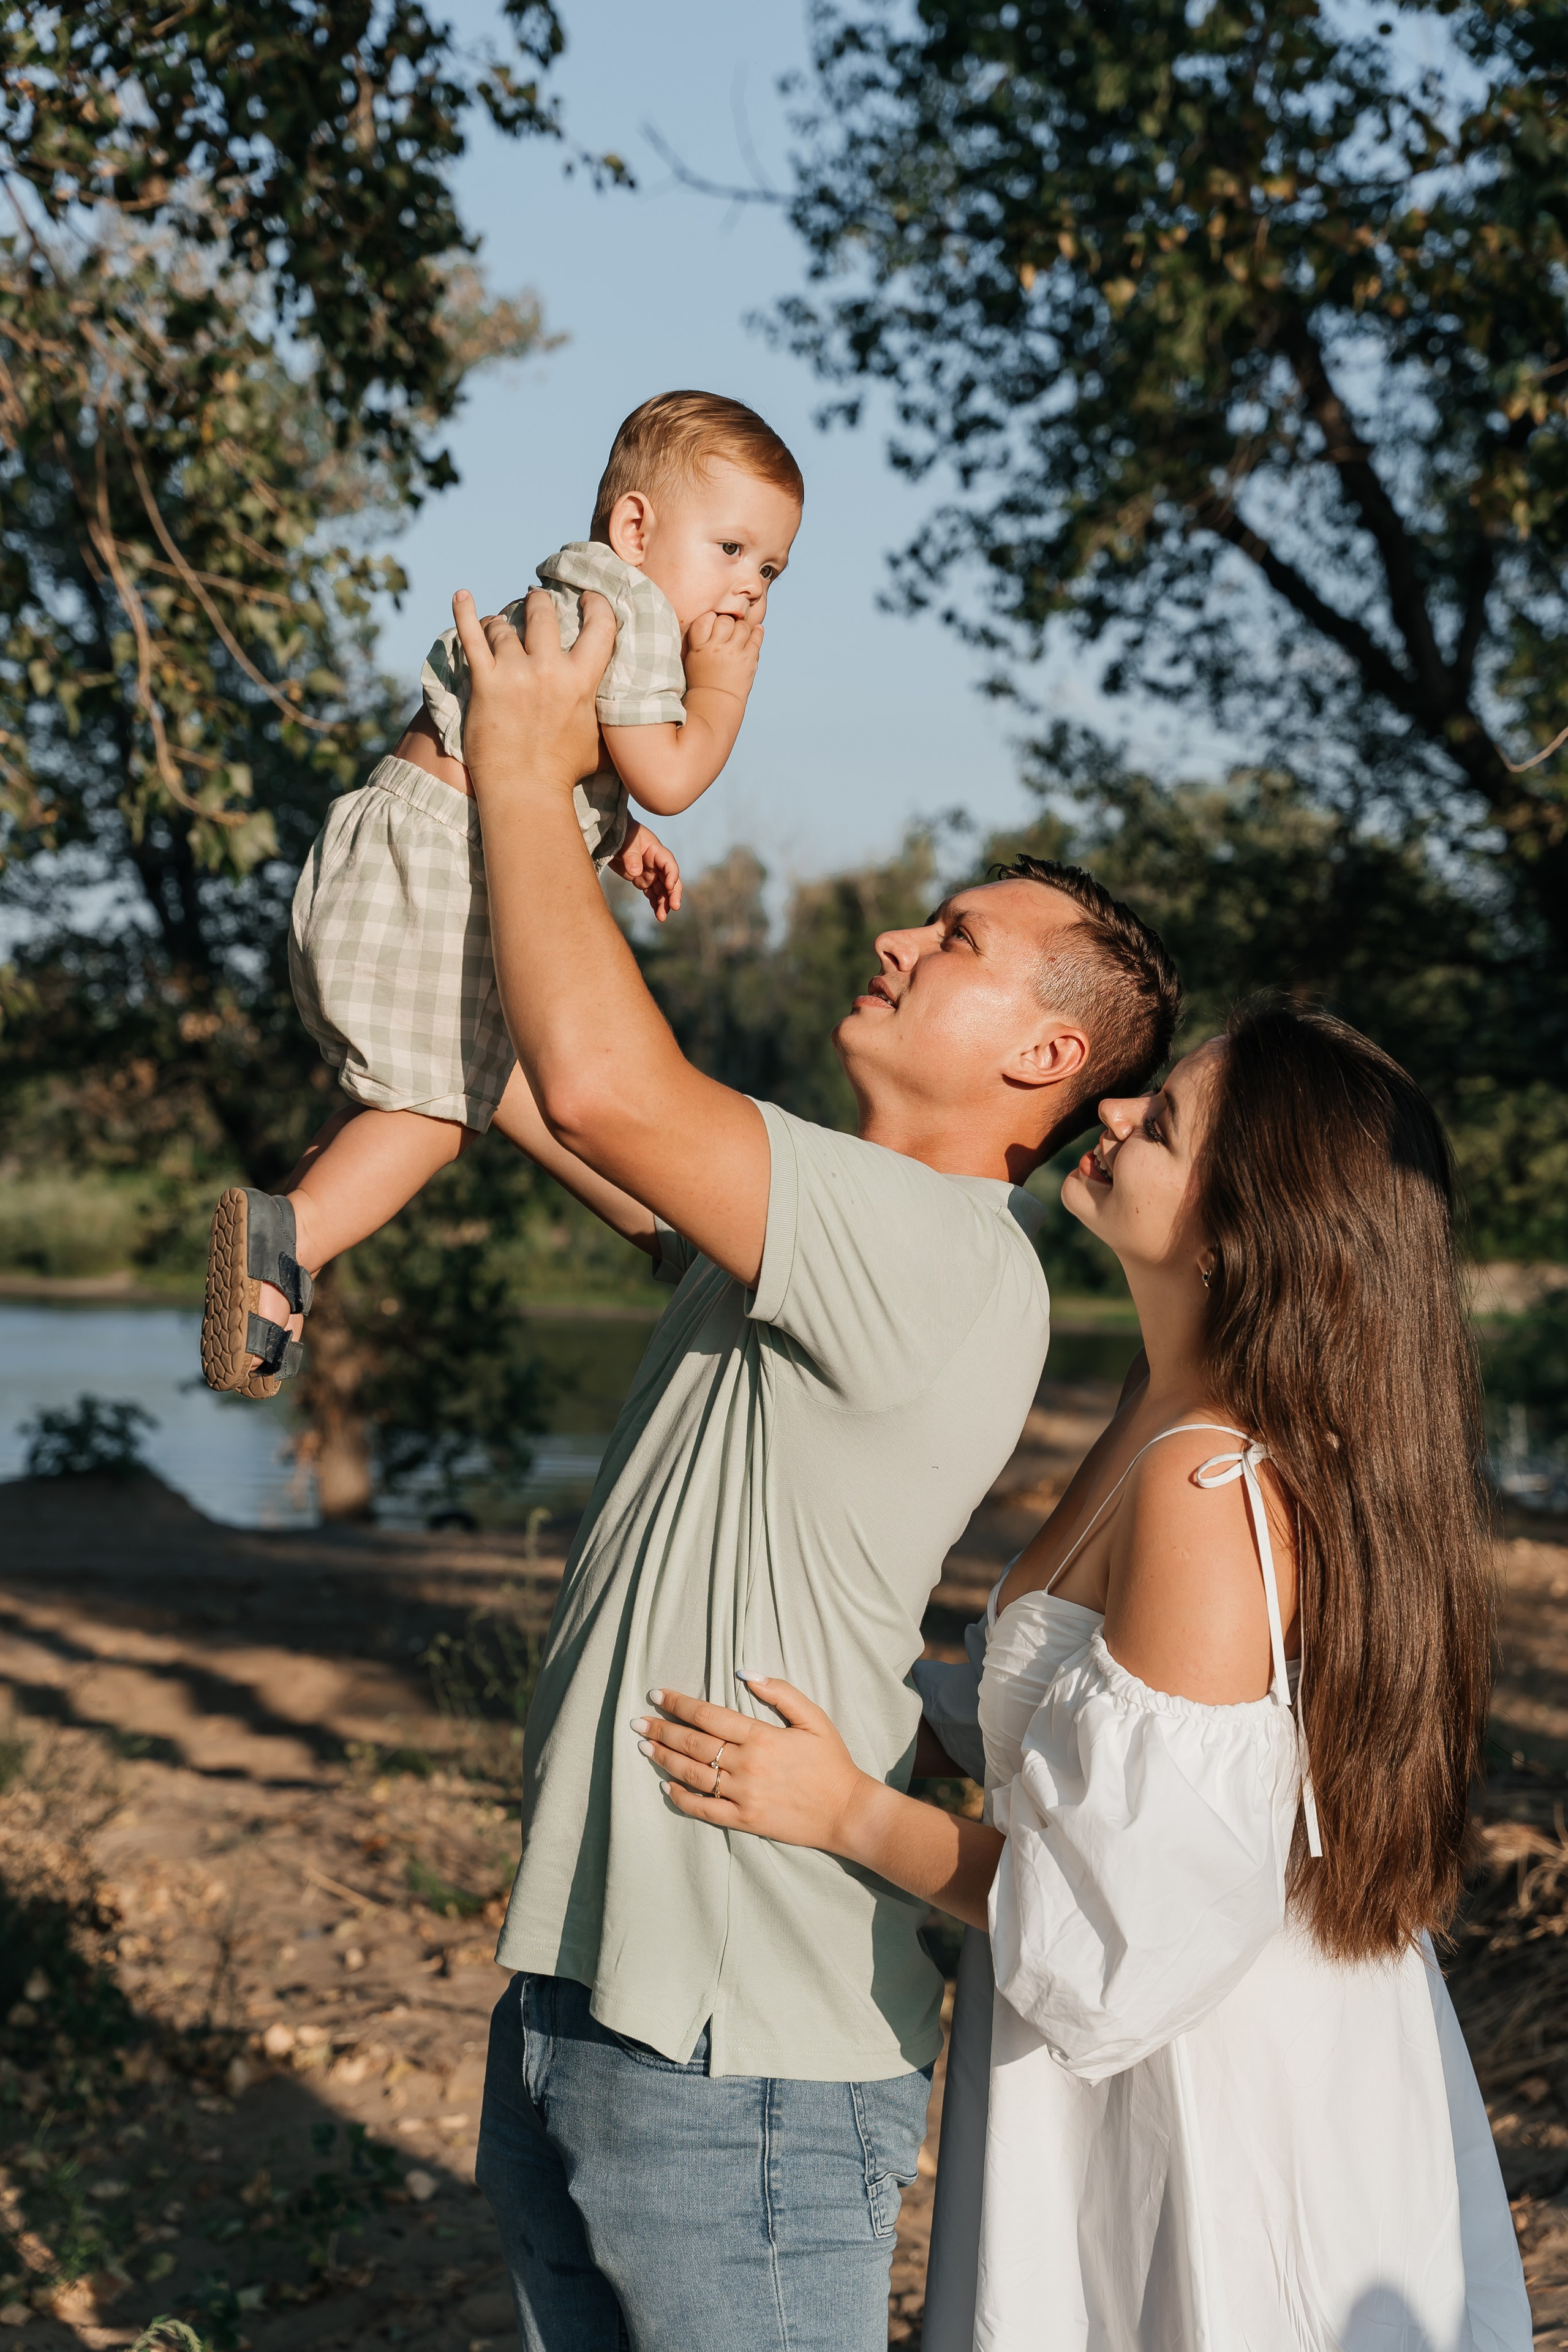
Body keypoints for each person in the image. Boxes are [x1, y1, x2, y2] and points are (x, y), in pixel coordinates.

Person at [443, 587, 1182, 2350]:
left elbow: (613, 1092)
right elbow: (546, 1089)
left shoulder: (931, 1242)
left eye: (964, 939)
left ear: (1043, 1057)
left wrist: (520, 757)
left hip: (738, 2045)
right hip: (594, 1988)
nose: (909, 936)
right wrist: (553, 829)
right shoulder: (813, 1222)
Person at [641, 1000, 1532, 2351]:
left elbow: (1113, 1938)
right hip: (1198, 2039)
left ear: (1242, 1228)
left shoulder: (1209, 1478)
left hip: (1206, 2085)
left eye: (1160, 1121)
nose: (1112, 1111)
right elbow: (1075, 1725)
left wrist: (843, 1814)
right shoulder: (1160, 1401)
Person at [199, 390, 802, 1400]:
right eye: (733, 550)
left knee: (460, 1075)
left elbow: (546, 760)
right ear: (638, 528)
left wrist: (616, 840)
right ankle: (289, 1236)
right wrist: (726, 686)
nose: (749, 593)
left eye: (772, 570)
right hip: (441, 876)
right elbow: (673, 773)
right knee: (440, 1116)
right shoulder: (643, 619)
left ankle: (673, 1236)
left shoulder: (568, 593)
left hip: (387, 844)